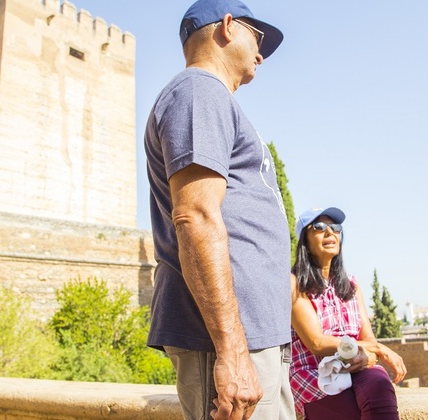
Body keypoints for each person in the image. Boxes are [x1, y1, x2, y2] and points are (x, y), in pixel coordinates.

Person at [144, 0, 294, 419]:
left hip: (251, 338)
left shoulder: (209, 97)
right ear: (228, 26)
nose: (262, 54)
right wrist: (231, 351)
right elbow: (196, 217)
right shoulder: (198, 91)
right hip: (225, 343)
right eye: (258, 38)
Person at [289, 207, 407, 419]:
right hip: (315, 374)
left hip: (355, 365)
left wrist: (369, 355)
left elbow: (366, 336)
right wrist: (376, 348)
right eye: (319, 227)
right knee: (349, 410)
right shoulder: (295, 283)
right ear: (304, 240)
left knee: (380, 388)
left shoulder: (351, 284)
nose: (329, 232)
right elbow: (316, 343)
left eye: (335, 227)